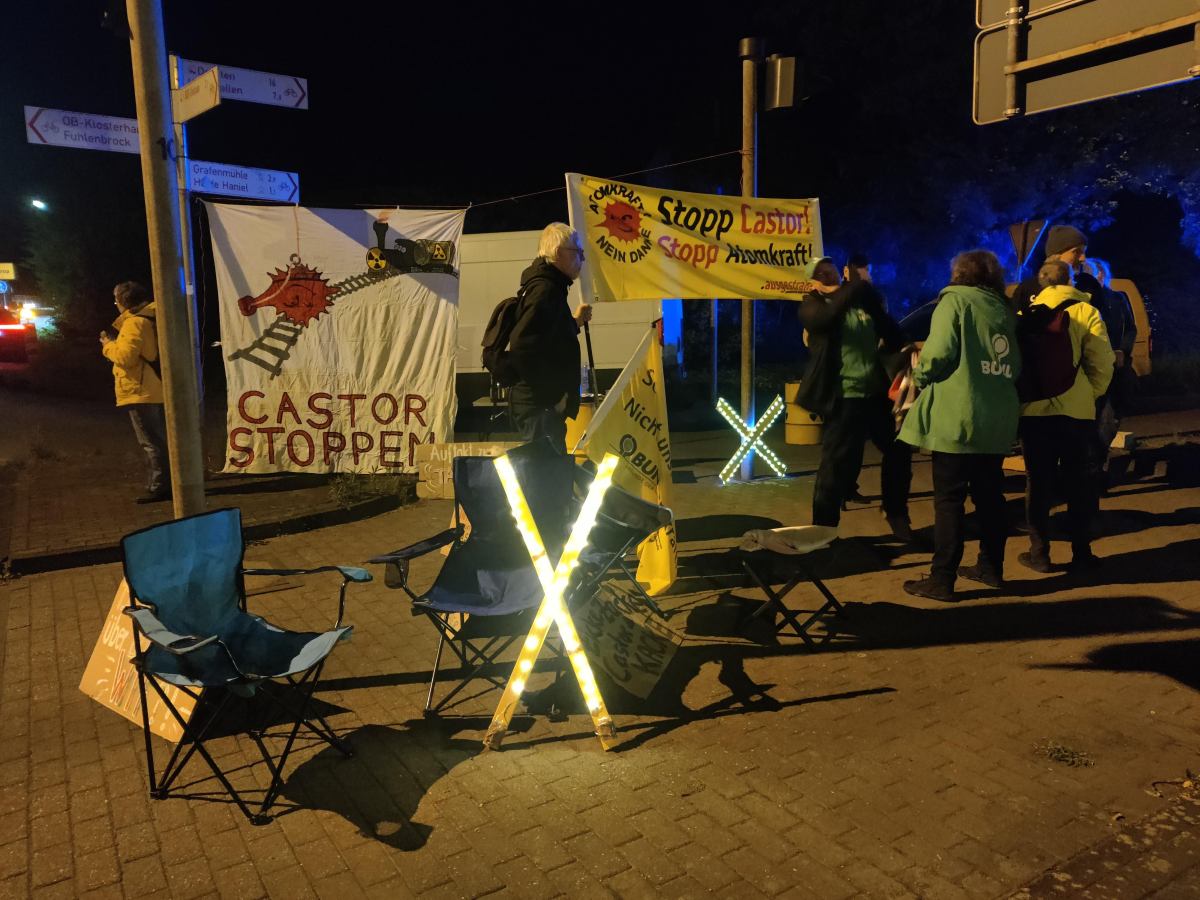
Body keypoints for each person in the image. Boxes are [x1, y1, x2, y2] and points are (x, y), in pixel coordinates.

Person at [899, 251, 1021, 601]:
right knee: (990, 499)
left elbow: (938, 353)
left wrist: (919, 374)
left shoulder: (954, 303)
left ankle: (942, 578)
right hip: (995, 419)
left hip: (958, 417)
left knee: (949, 501)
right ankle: (991, 568)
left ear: (960, 274)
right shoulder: (1003, 310)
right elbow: (1015, 364)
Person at [795, 257, 914, 540]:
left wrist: (875, 308)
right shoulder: (812, 306)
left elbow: (892, 333)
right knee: (835, 465)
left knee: (899, 449)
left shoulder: (859, 303)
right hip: (843, 397)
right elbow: (825, 319)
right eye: (819, 272)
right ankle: (823, 530)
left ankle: (895, 511)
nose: (827, 273)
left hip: (874, 393)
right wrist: (854, 288)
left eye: (830, 268)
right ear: (811, 282)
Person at [1018, 259, 1114, 573]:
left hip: (1034, 412)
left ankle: (1039, 553)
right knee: (1078, 482)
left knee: (1038, 482)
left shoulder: (1026, 315)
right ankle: (1081, 553)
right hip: (1076, 412)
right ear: (1071, 280)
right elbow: (1102, 361)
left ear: (1042, 283)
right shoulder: (1086, 312)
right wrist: (1090, 393)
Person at [507, 223, 593, 454]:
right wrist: (554, 398)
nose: (582, 258)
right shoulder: (545, 290)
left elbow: (548, 338)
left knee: (546, 470)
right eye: (577, 252)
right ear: (557, 253)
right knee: (547, 472)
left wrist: (574, 322)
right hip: (540, 407)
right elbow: (522, 347)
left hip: (540, 406)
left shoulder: (548, 287)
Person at [101, 281, 169, 503]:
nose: (115, 304)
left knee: (151, 441)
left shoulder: (134, 323)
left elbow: (126, 357)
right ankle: (164, 482)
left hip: (140, 390)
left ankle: (159, 486)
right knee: (158, 439)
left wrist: (107, 345)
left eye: (115, 300)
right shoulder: (153, 317)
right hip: (153, 387)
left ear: (123, 301)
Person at [1010, 224, 1089, 315]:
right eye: (1076, 252)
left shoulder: (1086, 287)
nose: (1083, 259)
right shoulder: (1027, 289)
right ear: (1056, 254)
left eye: (1084, 252)